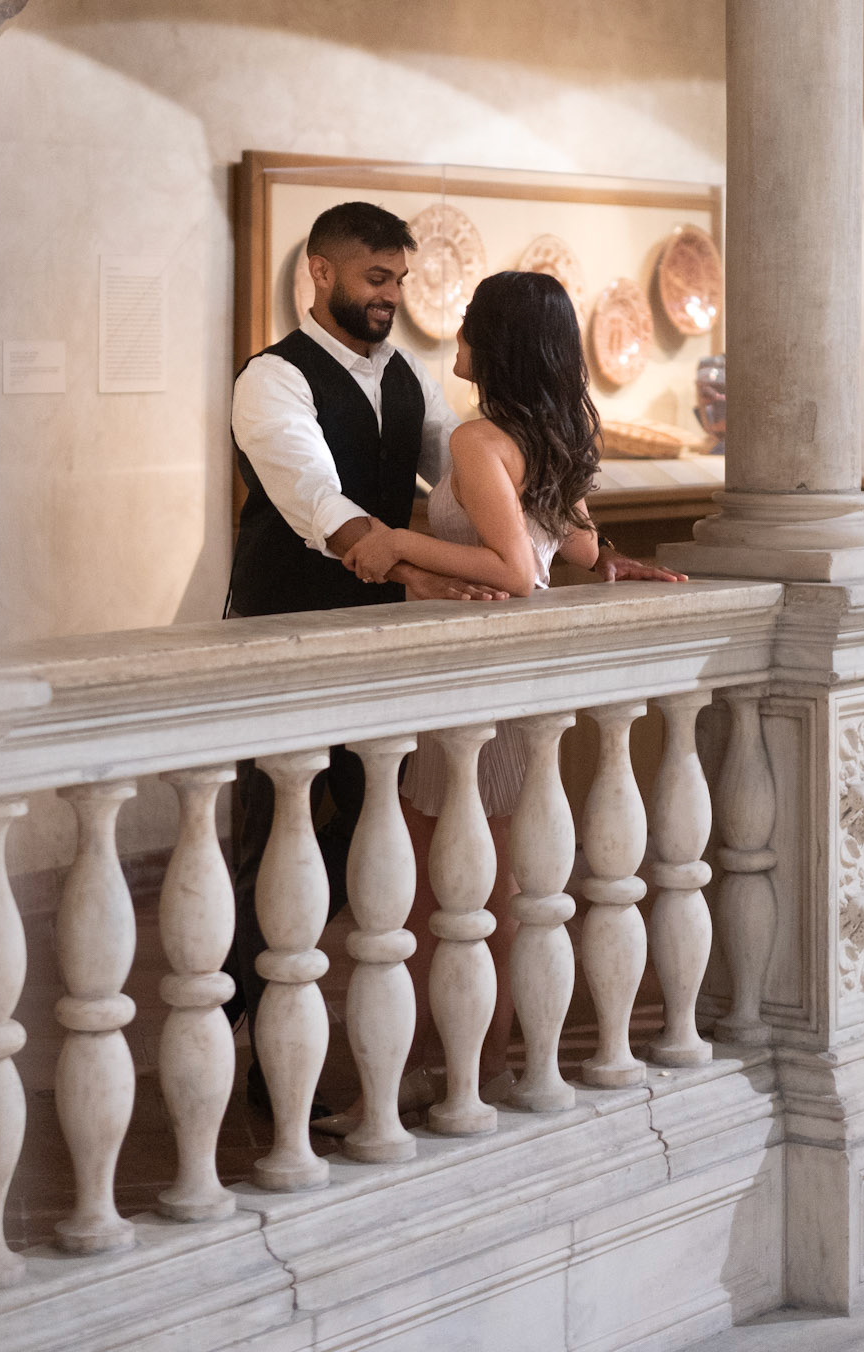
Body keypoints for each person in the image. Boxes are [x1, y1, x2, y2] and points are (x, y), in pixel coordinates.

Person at [336, 268, 688, 1105]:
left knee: (451, 901)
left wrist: (396, 540)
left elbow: (515, 572)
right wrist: (611, 560)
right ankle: (447, 1072)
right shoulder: (549, 434)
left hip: (475, 684)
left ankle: (466, 1075)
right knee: (463, 894)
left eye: (467, 321)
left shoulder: (476, 440)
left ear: (494, 342)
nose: (455, 334)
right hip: (495, 685)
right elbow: (573, 550)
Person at [225, 200, 501, 1111]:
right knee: (274, 839)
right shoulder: (271, 378)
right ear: (321, 272)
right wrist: (402, 565)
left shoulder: (410, 375)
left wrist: (570, 536)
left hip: (379, 641)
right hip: (283, 634)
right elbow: (311, 493)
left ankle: (255, 1008)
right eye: (376, 278)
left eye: (400, 280)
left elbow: (460, 476)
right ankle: (249, 1043)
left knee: (368, 830)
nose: (391, 296)